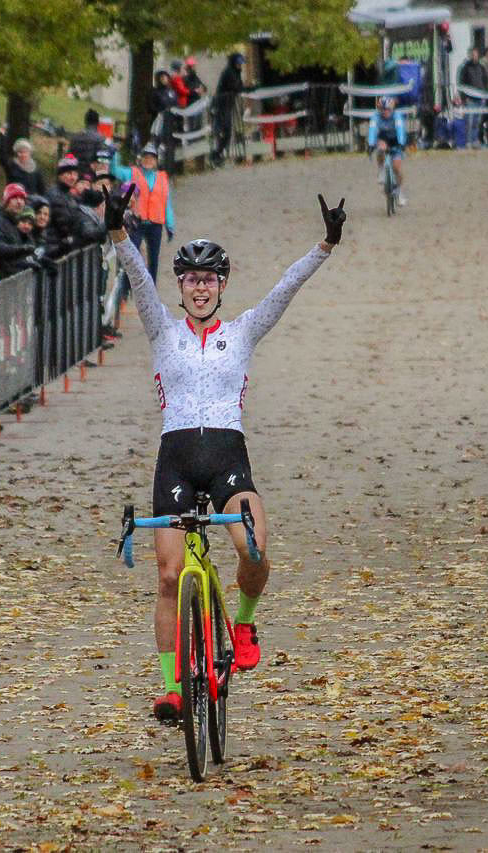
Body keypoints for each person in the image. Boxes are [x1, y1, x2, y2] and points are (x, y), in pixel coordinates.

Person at [102, 183, 347, 721]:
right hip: (177, 461)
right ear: (181, 286)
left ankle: (244, 620)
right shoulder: (162, 330)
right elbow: (138, 278)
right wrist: (118, 229)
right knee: (168, 577)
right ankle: (171, 688)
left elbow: (284, 291)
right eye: (191, 279)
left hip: (228, 460)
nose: (200, 288)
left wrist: (324, 246)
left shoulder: (241, 332)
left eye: (209, 279)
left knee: (254, 551)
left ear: (221, 285)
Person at [110, 144, 175, 283]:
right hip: (136, 221)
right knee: (133, 256)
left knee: (154, 258)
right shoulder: (132, 173)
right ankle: (128, 287)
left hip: (155, 223)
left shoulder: (162, 178)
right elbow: (114, 170)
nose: (148, 160)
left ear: (156, 161)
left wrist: (170, 225)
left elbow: (166, 202)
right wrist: (115, 153)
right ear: (141, 159)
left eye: (152, 158)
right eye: (146, 157)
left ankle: (152, 288)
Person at [367, 97, 407, 206]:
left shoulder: (397, 116)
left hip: (395, 140)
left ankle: (399, 192)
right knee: (380, 148)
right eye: (383, 109)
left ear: (392, 109)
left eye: (388, 109)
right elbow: (372, 129)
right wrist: (371, 144)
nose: (385, 112)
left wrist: (402, 143)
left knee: (397, 168)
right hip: (383, 139)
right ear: (379, 109)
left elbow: (400, 129)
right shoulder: (375, 117)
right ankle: (381, 170)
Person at [214, 53, 245, 164]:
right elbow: (235, 87)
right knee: (224, 130)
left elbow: (240, 87)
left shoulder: (236, 73)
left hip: (228, 104)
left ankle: (219, 154)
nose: (240, 66)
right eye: (238, 64)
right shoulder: (228, 72)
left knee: (228, 131)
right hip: (222, 104)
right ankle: (216, 154)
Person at [0, 131, 47, 196]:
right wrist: (1, 138)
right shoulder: (12, 166)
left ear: (29, 153)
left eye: (25, 152)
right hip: (15, 198)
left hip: (32, 201)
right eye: (20, 152)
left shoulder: (36, 169)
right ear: (17, 153)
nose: (23, 154)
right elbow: (1, 158)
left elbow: (42, 190)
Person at [457, 47, 488, 148]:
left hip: (480, 99)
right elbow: (461, 83)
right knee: (468, 122)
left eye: (476, 54)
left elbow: (485, 81)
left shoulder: (481, 67)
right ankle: (467, 141)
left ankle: (475, 140)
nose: (474, 56)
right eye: (472, 54)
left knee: (477, 122)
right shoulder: (465, 68)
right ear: (470, 55)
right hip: (469, 99)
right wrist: (463, 97)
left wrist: (485, 93)